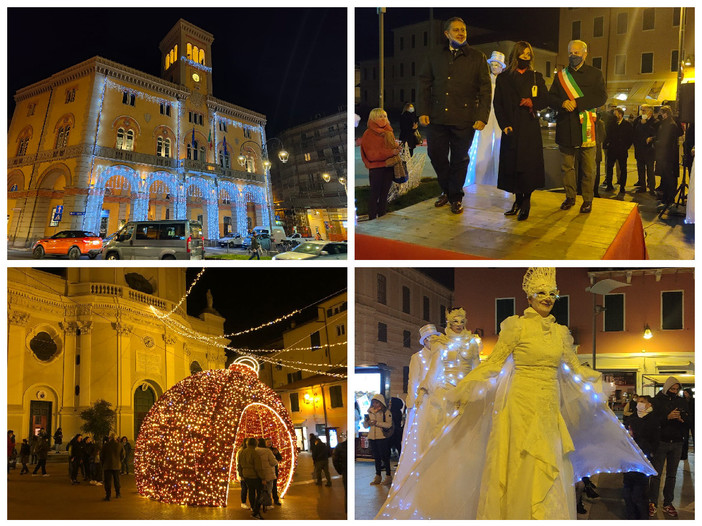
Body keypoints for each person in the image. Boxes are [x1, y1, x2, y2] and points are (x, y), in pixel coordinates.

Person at [376, 268, 655, 520]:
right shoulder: (515, 326)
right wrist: (464, 389)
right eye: (542, 292)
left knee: (551, 464)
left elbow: (573, 366)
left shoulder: (559, 333)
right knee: (524, 463)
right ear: (530, 296)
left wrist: (597, 385)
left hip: (548, 407)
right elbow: (495, 363)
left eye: (552, 293)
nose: (547, 298)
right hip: (520, 406)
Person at [418, 16, 492, 214]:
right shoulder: (434, 56)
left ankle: (455, 197)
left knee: (460, 159)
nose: (461, 33)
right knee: (435, 154)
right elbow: (424, 84)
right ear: (447, 34)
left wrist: (482, 116)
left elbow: (485, 89)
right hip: (437, 116)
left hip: (465, 117)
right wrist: (423, 111)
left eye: (463, 30)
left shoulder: (477, 57)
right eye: (457, 30)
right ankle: (448, 190)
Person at [548, 40, 607, 214]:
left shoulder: (595, 74)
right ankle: (570, 197)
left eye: (577, 52)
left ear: (585, 53)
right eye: (571, 52)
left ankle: (587, 200)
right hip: (566, 126)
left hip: (586, 127)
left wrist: (578, 103)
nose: (573, 55)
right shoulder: (560, 76)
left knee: (588, 168)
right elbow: (550, 98)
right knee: (567, 167)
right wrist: (562, 102)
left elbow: (602, 97)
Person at [493, 41, 549, 221]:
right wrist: (504, 124)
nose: (526, 57)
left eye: (528, 54)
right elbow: (498, 103)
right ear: (515, 55)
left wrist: (533, 102)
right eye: (522, 54)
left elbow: (545, 99)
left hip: (529, 127)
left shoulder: (536, 77)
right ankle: (517, 200)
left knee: (528, 165)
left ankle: (526, 202)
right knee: (513, 165)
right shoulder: (504, 78)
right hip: (511, 127)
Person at [648, 376, 689, 518]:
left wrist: (683, 419)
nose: (675, 391)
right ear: (666, 388)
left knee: (672, 475)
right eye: (672, 388)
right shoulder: (656, 401)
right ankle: (652, 501)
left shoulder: (681, 401)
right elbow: (652, 422)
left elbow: (690, 420)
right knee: (656, 474)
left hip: (677, 443)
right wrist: (667, 417)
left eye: (677, 389)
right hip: (661, 442)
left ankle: (668, 502)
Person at [468, 51, 505, 187]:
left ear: (502, 67)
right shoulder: (485, 81)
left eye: (497, 65)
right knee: (483, 143)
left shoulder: (505, 81)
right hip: (487, 114)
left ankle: (499, 177)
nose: (494, 67)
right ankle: (480, 178)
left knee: (500, 144)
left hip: (500, 115)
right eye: (493, 64)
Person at [360, 108, 401, 220]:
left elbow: (388, 147)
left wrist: (396, 147)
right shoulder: (368, 133)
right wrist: (391, 152)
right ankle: (372, 217)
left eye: (385, 116)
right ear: (373, 118)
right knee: (375, 194)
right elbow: (372, 154)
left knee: (384, 194)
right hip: (376, 168)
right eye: (380, 116)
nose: (383, 118)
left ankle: (382, 215)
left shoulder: (388, 132)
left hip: (388, 166)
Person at [623, 395, 658, 519]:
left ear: (649, 404)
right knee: (628, 494)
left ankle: (642, 516)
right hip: (630, 461)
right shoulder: (633, 417)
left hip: (643, 460)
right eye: (638, 401)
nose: (639, 404)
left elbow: (655, 440)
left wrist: (650, 454)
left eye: (642, 402)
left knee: (639, 495)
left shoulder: (653, 419)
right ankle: (631, 516)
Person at [654, 105, 683, 208]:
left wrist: (655, 142)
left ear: (666, 113)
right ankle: (665, 198)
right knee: (665, 178)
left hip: (668, 156)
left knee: (669, 178)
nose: (661, 115)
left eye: (662, 113)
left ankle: (669, 200)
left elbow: (667, 141)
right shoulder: (665, 123)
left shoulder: (671, 125)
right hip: (664, 155)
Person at [603, 107, 634, 196]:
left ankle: (622, 186)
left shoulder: (627, 124)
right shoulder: (611, 124)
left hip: (622, 150)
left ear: (620, 115)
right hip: (612, 149)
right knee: (609, 168)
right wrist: (607, 145)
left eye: (615, 113)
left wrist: (625, 147)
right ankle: (609, 185)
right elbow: (608, 135)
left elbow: (630, 138)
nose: (614, 115)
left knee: (623, 169)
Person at [365, 393, 393, 486]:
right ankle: (378, 476)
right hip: (372, 437)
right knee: (376, 458)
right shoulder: (370, 412)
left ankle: (388, 476)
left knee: (385, 457)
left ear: (381, 403)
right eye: (373, 403)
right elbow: (365, 426)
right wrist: (367, 423)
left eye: (377, 403)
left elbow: (389, 425)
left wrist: (377, 423)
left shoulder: (386, 412)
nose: (375, 405)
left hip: (382, 437)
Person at [632, 104, 658, 195]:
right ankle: (642, 186)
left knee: (650, 170)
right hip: (639, 149)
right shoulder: (638, 121)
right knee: (640, 169)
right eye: (641, 110)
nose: (642, 112)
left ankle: (651, 187)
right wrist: (641, 123)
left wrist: (651, 138)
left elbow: (656, 134)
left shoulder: (655, 122)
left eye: (644, 110)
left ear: (650, 111)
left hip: (649, 150)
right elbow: (635, 132)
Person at [238, 437, 264, 519]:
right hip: (254, 476)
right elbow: (258, 467)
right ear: (255, 444)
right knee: (260, 493)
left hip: (246, 475)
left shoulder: (242, 452)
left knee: (251, 492)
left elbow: (239, 465)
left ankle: (253, 507)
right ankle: (256, 511)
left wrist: (241, 474)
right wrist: (263, 478)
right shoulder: (254, 453)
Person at [255, 437, 279, 513]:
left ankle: (260, 504)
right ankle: (267, 505)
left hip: (258, 473)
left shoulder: (255, 451)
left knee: (259, 490)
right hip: (268, 473)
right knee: (268, 490)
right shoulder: (267, 451)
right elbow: (273, 462)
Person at [101, 433, 125, 501]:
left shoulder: (105, 445)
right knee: (117, 480)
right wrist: (119, 461)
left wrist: (103, 463)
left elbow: (102, 455)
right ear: (116, 438)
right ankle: (118, 493)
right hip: (116, 465)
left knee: (107, 481)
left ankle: (108, 496)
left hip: (107, 465)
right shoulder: (119, 445)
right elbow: (123, 455)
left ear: (109, 438)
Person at [265, 438, 283, 505]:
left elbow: (279, 458)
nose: (269, 443)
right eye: (268, 442)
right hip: (267, 471)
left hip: (274, 470)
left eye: (270, 442)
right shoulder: (264, 450)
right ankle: (267, 501)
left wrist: (277, 454)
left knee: (274, 486)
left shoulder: (274, 449)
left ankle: (276, 499)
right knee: (266, 487)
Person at [332, 436, 347, 513]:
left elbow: (335, 460)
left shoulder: (340, 446)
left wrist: (340, 471)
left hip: (345, 472)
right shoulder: (341, 446)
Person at [236, 441, 251, 509]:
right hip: (244, 473)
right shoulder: (242, 451)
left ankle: (245, 503)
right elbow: (239, 464)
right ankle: (243, 502)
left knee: (246, 488)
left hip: (245, 473)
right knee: (245, 488)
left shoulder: (242, 451)